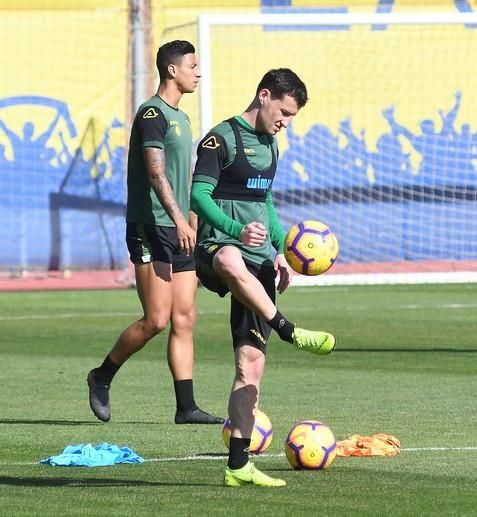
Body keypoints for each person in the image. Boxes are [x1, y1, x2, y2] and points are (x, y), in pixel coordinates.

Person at [190, 68, 335, 488]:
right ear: (264, 95)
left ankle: (238, 466)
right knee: (232, 260)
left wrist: (280, 250)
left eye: (292, 117)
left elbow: (265, 200)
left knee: (249, 366)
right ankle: (288, 328)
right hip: (219, 247)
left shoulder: (272, 146)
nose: (286, 122)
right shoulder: (222, 139)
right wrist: (234, 231)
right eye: (284, 112)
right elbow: (198, 195)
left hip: (258, 260)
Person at [87, 40, 223, 424]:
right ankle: (101, 376)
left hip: (180, 226)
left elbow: (183, 177)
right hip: (152, 227)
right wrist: (179, 219)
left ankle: (186, 407)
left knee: (185, 317)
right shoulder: (152, 113)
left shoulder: (183, 118)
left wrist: (192, 217)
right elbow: (155, 172)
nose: (199, 72)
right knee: (156, 320)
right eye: (192, 66)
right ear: (172, 71)